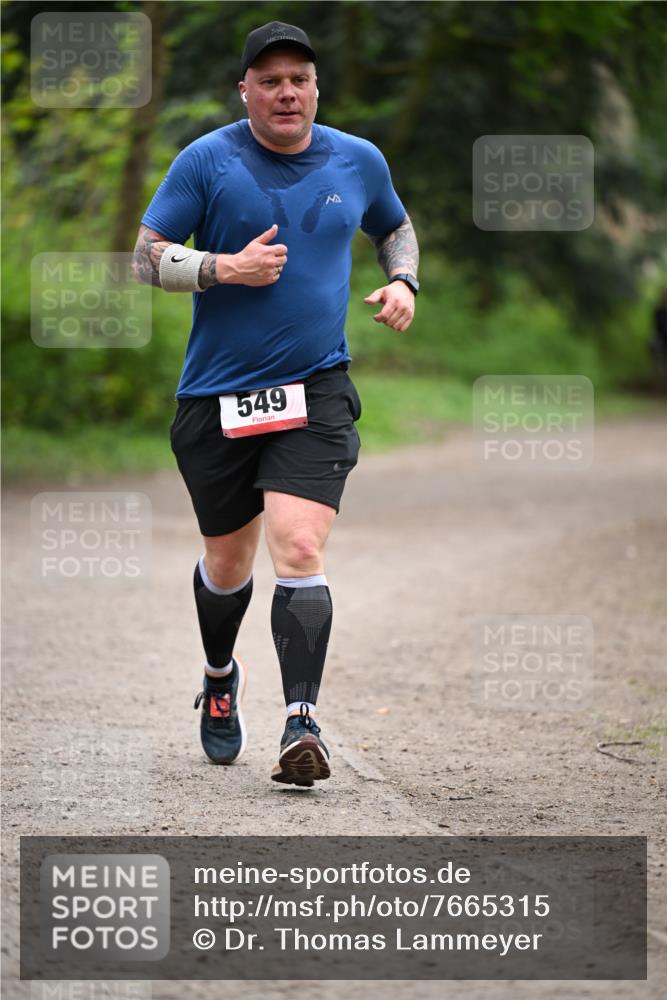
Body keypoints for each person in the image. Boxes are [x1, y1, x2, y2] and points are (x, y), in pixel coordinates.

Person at [133, 21, 419, 787]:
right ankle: (220, 677)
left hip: (316, 389)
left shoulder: (357, 159)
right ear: (246, 92)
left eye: (299, 78)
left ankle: (302, 721)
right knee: (227, 564)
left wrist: (403, 281)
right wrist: (223, 268)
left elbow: (394, 226)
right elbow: (144, 256)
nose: (285, 92)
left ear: (315, 88)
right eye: (269, 80)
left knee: (297, 547)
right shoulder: (208, 160)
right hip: (215, 396)